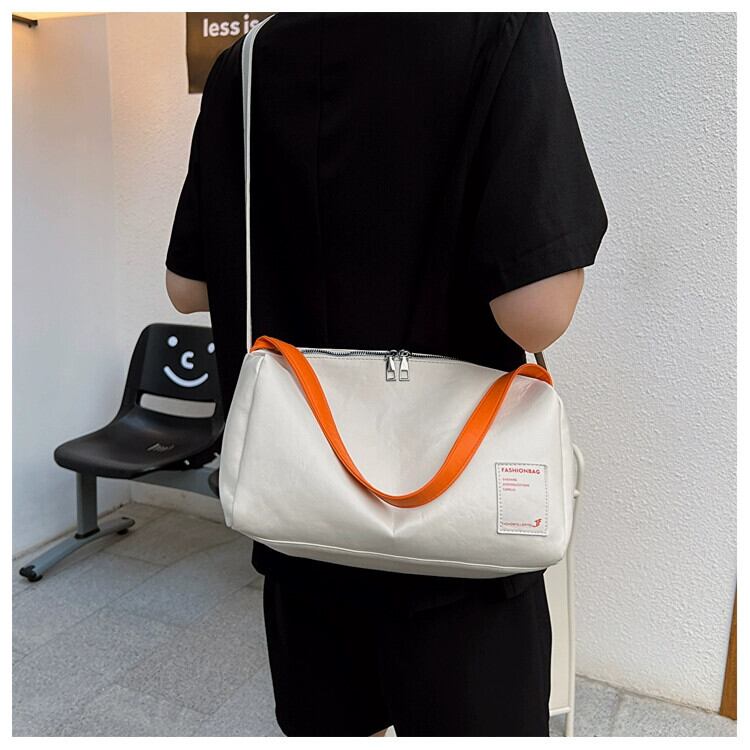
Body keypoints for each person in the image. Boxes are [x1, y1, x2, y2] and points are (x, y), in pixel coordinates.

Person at [165, 12, 607, 737]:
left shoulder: (243, 63)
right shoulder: (498, 28)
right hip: (461, 553)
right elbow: (538, 313)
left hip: (300, 523)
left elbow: (186, 288)